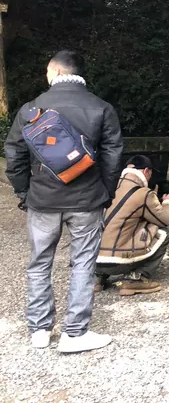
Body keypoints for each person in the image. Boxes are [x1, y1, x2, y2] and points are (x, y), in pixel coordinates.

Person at [4, 50, 123, 353]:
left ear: (54, 72)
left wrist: (24, 193)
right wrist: (105, 193)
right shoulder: (101, 108)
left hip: (42, 200)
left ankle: (40, 329)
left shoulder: (32, 109)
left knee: (39, 264)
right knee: (83, 263)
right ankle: (75, 333)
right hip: (86, 201)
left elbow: (14, 155)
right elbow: (112, 158)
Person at [95, 155, 169, 296]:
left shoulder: (109, 184)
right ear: (146, 171)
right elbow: (164, 219)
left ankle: (96, 278)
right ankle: (137, 279)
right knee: (164, 233)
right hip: (117, 262)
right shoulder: (143, 193)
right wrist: (168, 202)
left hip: (92, 259)